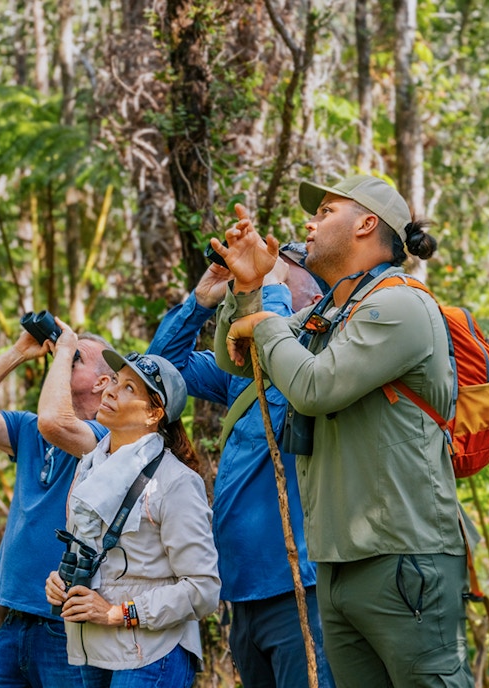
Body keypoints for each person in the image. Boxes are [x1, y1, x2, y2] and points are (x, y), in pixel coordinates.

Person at [211, 177, 475, 687]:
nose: (309, 224)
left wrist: (263, 319)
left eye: (326, 211)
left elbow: (314, 386)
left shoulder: (400, 305)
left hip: (404, 557)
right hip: (334, 561)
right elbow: (237, 361)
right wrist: (246, 291)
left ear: (366, 224)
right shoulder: (329, 314)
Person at [146, 242, 335, 688]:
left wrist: (265, 289)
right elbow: (160, 372)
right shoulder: (244, 377)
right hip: (242, 592)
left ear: (312, 302)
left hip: (299, 589)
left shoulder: (322, 365)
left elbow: (286, 360)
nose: (267, 280)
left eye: (284, 278)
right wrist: (201, 301)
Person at [40, 323, 220, 688]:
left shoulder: (176, 483)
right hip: (92, 650)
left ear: (154, 414)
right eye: (113, 380)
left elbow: (202, 589)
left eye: (128, 388)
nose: (109, 390)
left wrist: (117, 613)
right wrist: (59, 582)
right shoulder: (91, 466)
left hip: (151, 655)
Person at [0, 327, 115, 688]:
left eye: (77, 358)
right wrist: (19, 353)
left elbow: (57, 423)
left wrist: (66, 345)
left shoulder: (105, 439)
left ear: (102, 383)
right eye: (66, 354)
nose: (64, 358)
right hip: (14, 621)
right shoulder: (30, 430)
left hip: (68, 625)